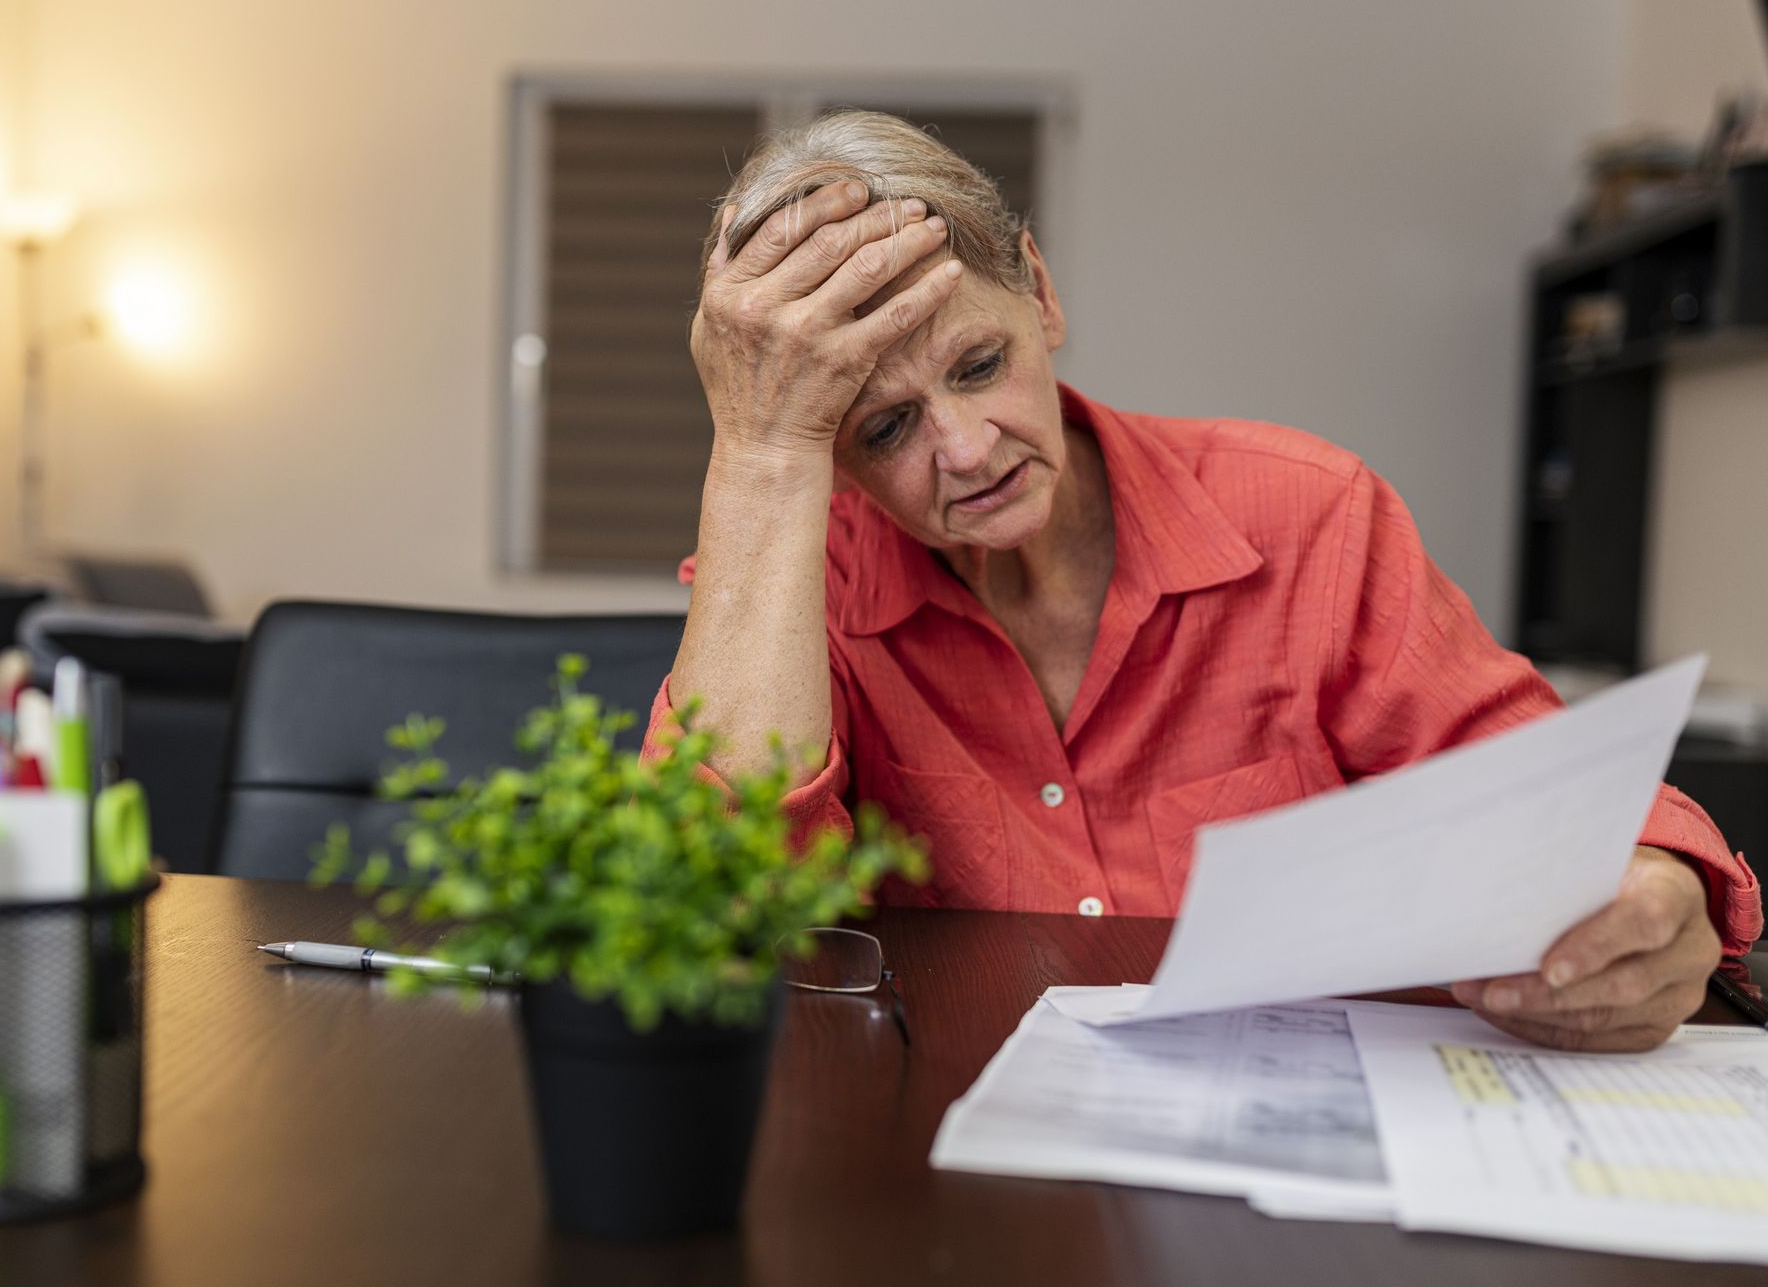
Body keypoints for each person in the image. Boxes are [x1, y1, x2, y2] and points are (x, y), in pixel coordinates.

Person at [644, 109, 1760, 1053]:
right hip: (948, 1167)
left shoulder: (1305, 513)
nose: (968, 449)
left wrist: (1652, 886)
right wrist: (760, 453)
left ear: (1036, 290)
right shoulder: (807, 572)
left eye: (979, 366)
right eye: (882, 427)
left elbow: (1541, 794)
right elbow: (704, 912)